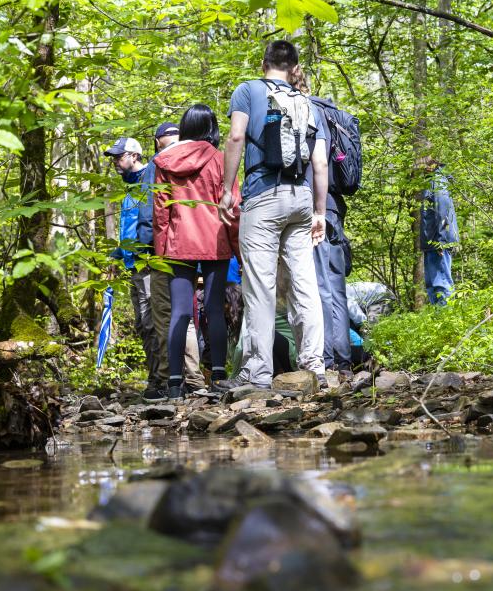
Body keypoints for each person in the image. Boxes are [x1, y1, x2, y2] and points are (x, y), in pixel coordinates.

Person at [217, 40, 330, 391]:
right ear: (295, 67)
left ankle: (258, 374)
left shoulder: (247, 90)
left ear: (264, 61)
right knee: (304, 284)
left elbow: (236, 137)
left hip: (262, 196)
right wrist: (320, 212)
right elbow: (320, 162)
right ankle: (314, 366)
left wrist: (226, 189)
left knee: (260, 287)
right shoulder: (309, 103)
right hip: (300, 198)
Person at [153, 104, 240, 399]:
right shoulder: (220, 159)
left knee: (179, 313)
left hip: (178, 243)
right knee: (214, 308)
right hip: (214, 240)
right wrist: (237, 247)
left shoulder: (163, 161)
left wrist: (161, 248)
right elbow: (233, 206)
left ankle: (175, 383)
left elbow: (160, 211)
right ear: (212, 128)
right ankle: (218, 375)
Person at [288, 67, 355, 380]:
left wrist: (315, 209)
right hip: (335, 207)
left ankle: (327, 358)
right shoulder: (331, 112)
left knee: (319, 285)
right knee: (335, 284)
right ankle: (342, 359)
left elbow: (316, 164)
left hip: (318, 206)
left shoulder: (306, 111)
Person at [104, 125, 179, 401]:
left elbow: (149, 222)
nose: (114, 162)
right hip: (132, 263)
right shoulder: (129, 188)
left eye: (118, 156)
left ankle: (163, 379)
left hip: (147, 261)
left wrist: (145, 255)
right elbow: (129, 227)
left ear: (134, 155)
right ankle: (156, 376)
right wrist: (116, 256)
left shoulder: (150, 178)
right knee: (142, 322)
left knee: (152, 320)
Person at [418, 157, 459, 305]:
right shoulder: (431, 181)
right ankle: (438, 321)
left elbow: (443, 211)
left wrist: (441, 241)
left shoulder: (438, 181)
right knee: (432, 286)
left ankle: (447, 321)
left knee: (441, 284)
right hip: (431, 243)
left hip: (437, 242)